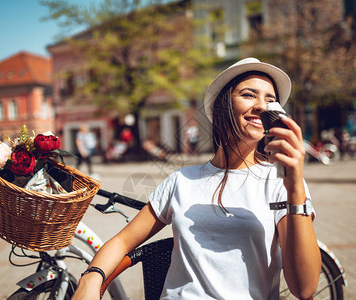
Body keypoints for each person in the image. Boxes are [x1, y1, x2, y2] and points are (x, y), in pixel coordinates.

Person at [73, 58, 321, 300]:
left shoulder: (281, 183)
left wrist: (295, 187)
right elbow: (121, 241)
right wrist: (90, 279)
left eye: (270, 99)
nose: (261, 106)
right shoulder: (181, 180)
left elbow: (305, 288)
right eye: (249, 95)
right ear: (221, 107)